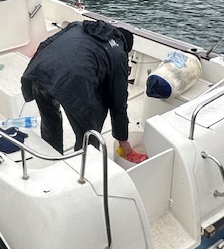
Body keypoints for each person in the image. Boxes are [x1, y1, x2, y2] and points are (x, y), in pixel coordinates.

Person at [21, 20, 145, 162]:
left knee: (50, 121)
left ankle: (52, 160)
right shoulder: (119, 53)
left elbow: (46, 44)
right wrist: (122, 140)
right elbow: (118, 101)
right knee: (89, 135)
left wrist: (29, 77)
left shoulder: (79, 25)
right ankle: (84, 167)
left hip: (40, 71)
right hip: (72, 81)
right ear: (125, 46)